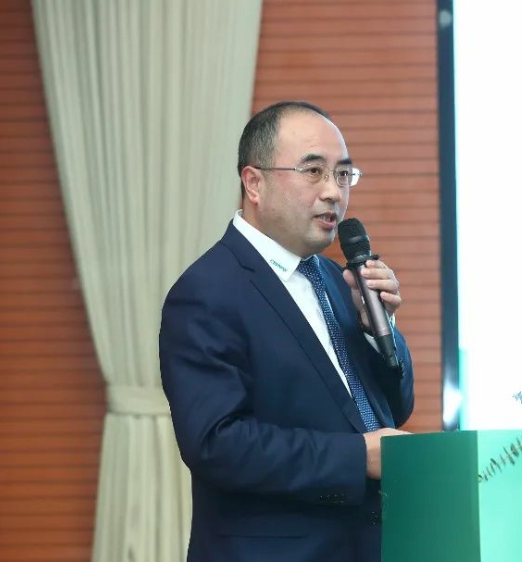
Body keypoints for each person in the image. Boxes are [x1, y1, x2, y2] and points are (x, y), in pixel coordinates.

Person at [159, 100, 415, 562]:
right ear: (254, 183)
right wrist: (358, 458)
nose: (333, 192)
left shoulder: (337, 279)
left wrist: (378, 330)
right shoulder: (206, 291)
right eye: (314, 171)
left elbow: (391, 410)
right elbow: (217, 444)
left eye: (343, 174)